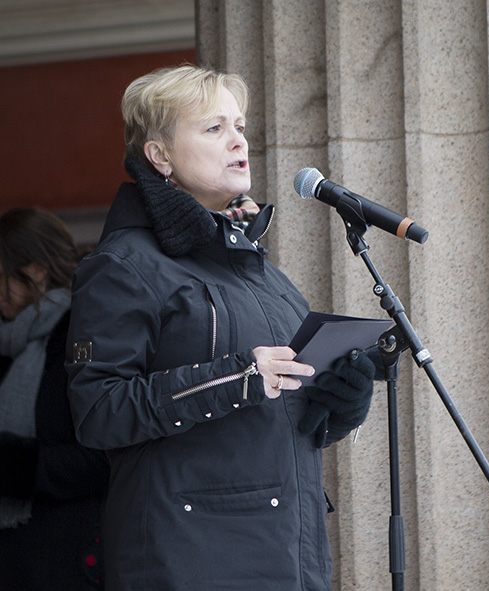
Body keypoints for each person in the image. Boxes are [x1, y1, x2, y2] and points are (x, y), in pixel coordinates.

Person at [66, 64, 379, 590]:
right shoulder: (123, 266)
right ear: (159, 155)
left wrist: (339, 407)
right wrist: (238, 379)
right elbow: (98, 412)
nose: (238, 141)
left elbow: (276, 416)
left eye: (239, 127)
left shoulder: (259, 269)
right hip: (188, 559)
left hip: (287, 553)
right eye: (213, 128)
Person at [0, 207, 110, 590]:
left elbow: (101, 456)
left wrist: (17, 465)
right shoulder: (8, 341)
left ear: (35, 272)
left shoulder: (81, 333)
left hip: (65, 555)